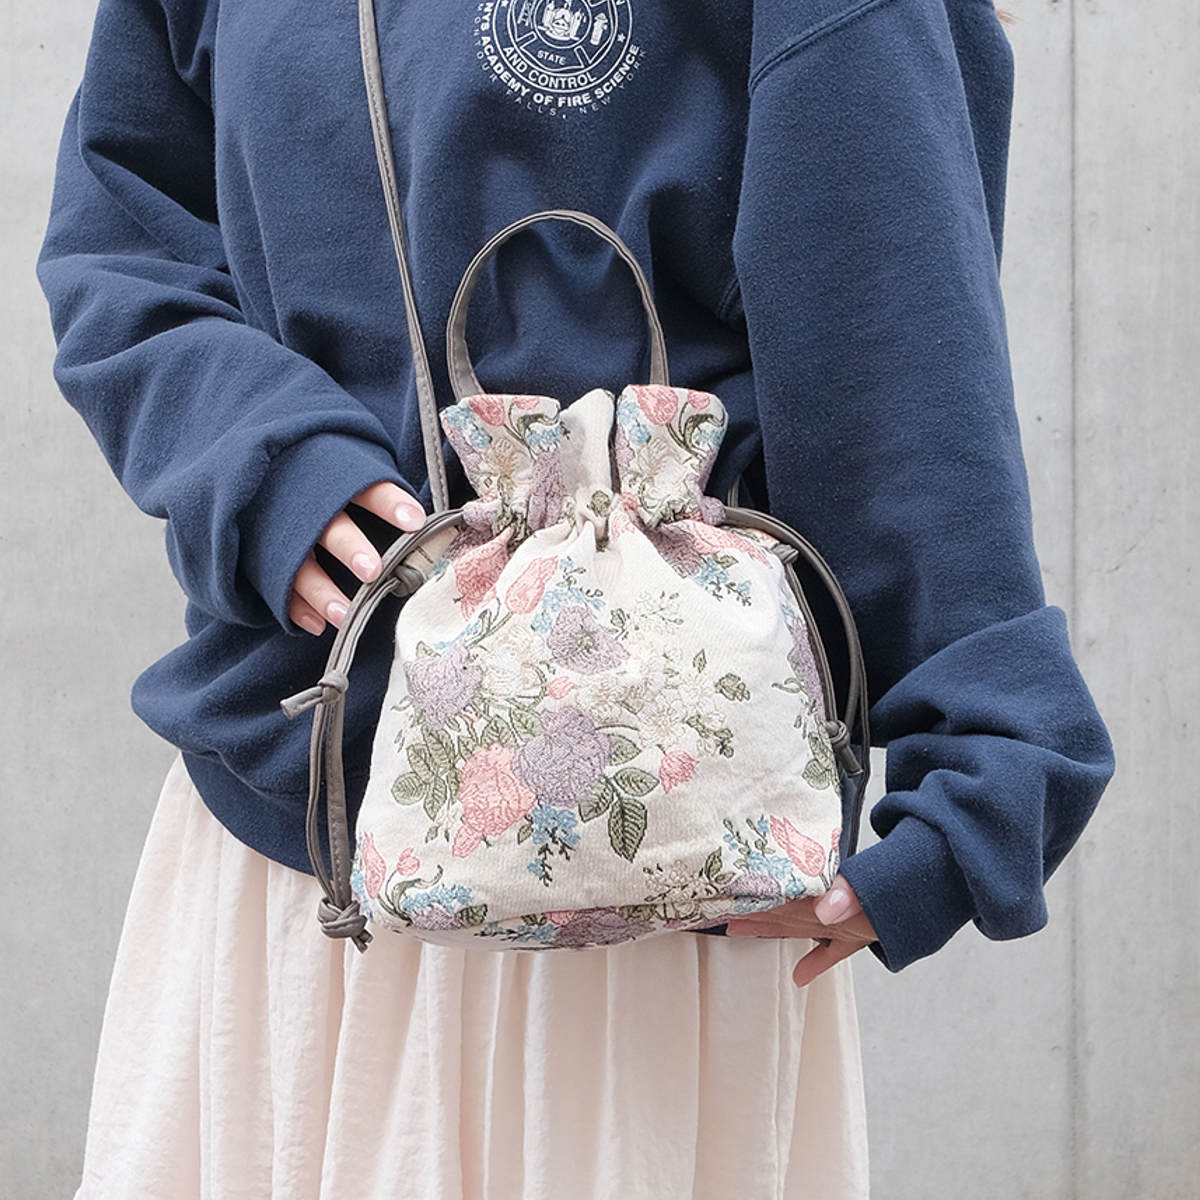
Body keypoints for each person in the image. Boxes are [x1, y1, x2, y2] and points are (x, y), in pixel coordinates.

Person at [35, 0, 1115, 1196]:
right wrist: (256, 455)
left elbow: (892, 300)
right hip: (284, 848)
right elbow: (125, 227)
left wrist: (987, 762)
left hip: (634, 878)